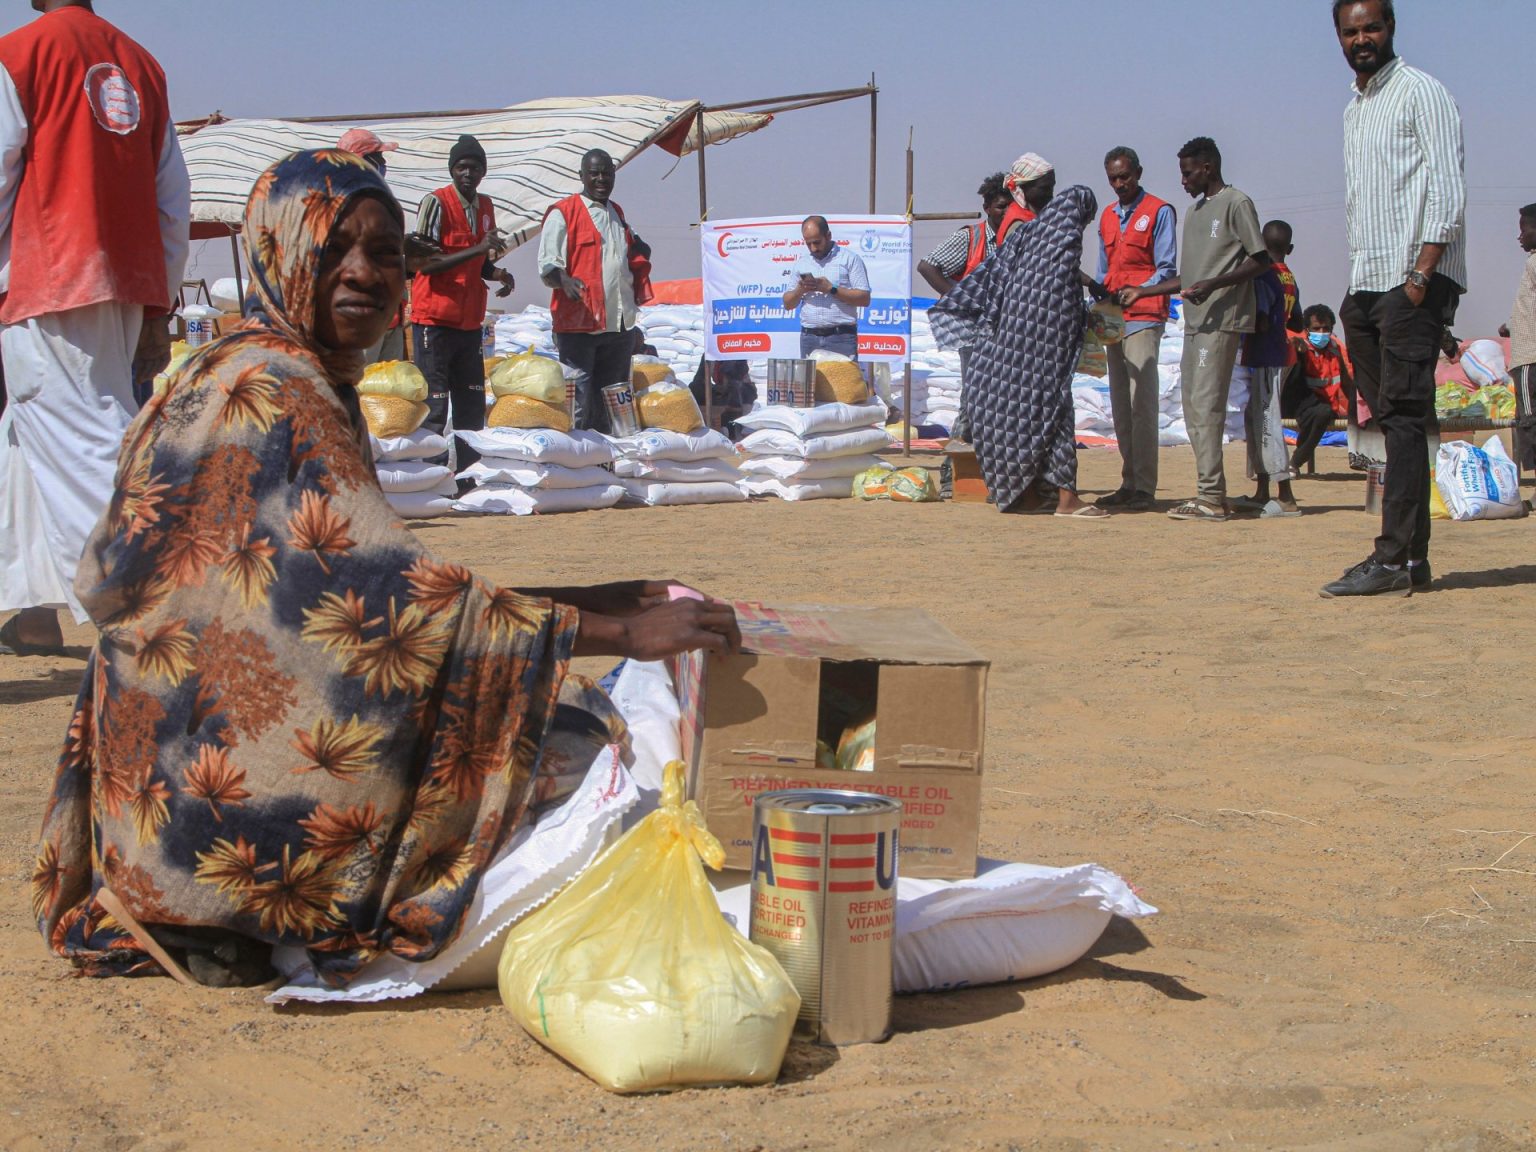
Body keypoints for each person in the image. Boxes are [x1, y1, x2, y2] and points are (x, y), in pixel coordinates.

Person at [31, 150, 742, 987]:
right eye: (334, 249)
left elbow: (357, 580)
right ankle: (240, 910)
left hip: (161, 790)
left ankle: (218, 909)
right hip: (210, 814)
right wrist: (617, 633)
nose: (364, 273)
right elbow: (379, 605)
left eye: (384, 253)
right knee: (569, 745)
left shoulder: (243, 368)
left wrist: (594, 598)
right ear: (280, 251)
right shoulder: (276, 394)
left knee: (536, 714)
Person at [0, 0, 189, 658]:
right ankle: (32, 612)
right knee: (27, 438)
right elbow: (172, 198)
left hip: (47, 278)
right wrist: (159, 300)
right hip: (121, 280)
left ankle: (154, 617)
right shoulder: (142, 65)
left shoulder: (19, 54)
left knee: (84, 439)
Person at [1321, 0, 1466, 597]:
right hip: (1368, 283)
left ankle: (1391, 557)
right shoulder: (1355, 109)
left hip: (1412, 281)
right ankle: (1413, 558)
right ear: (1339, 37)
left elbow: (1448, 191)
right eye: (1350, 31)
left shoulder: (1421, 92)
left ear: (1391, 29)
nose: (1362, 39)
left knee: (1404, 418)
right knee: (1392, 422)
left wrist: (1422, 275)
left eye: (1372, 28)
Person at [929, 184, 1109, 519]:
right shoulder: (1062, 248)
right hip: (1043, 358)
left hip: (1005, 354)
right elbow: (1059, 306)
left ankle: (1024, 496)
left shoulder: (1025, 239)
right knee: (1057, 419)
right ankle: (1067, 500)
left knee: (1019, 423)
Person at [1120, 137, 1268, 522]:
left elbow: (1260, 260)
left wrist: (1215, 285)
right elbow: (1190, 277)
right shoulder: (1195, 212)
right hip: (1196, 321)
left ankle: (1211, 497)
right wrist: (1144, 291)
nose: (1183, 181)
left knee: (1206, 405)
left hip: (1222, 320)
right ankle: (1210, 493)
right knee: (1192, 406)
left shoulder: (1236, 203)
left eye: (1187, 173)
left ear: (1208, 168)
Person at [410, 134, 513, 467]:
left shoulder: (485, 207)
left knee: (471, 406)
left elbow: (478, 263)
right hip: (435, 321)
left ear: (483, 172)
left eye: (475, 168)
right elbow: (424, 263)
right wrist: (478, 249)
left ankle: (469, 477)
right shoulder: (436, 204)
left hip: (468, 323)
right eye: (462, 167)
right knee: (435, 406)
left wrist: (498, 274)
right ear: (452, 170)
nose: (468, 174)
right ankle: (434, 476)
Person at [540, 148, 653, 434]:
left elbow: (631, 252)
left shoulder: (617, 213)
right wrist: (564, 280)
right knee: (579, 402)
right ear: (582, 176)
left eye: (607, 173)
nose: (601, 179)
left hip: (618, 325)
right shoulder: (563, 213)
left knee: (614, 403)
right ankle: (578, 455)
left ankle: (608, 455)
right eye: (594, 174)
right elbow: (548, 267)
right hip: (580, 326)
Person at [1091, 146, 1178, 512]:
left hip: (1144, 314)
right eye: (1113, 178)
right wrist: (1097, 302)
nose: (1119, 184)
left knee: (1142, 402)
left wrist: (1139, 290)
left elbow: (1167, 268)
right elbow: (1103, 269)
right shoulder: (1108, 216)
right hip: (1112, 317)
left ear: (1138, 173)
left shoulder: (1159, 211)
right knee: (1120, 405)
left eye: (1124, 176)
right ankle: (1128, 482)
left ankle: (1144, 486)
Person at [917, 172, 1010, 442]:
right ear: (987, 208)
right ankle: (954, 462)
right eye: (1001, 207)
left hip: (1006, 328)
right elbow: (927, 266)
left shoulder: (1015, 238)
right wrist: (961, 299)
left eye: (1011, 207)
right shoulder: (971, 238)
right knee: (973, 398)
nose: (1006, 212)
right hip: (974, 329)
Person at [1235, 266, 1301, 516]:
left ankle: (1286, 496)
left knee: (1266, 423)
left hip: (1266, 355)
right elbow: (1297, 320)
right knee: (1255, 420)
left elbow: (1260, 321)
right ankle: (1262, 491)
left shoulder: (1262, 276)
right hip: (1273, 353)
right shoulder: (1287, 276)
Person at [781, 215, 870, 360]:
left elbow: (864, 298)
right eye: (808, 244)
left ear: (828, 236)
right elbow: (787, 303)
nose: (813, 248)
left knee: (842, 376)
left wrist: (831, 289)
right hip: (809, 338)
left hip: (841, 337)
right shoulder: (801, 264)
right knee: (811, 376)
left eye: (817, 242)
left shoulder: (849, 259)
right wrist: (799, 290)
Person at [1285, 304, 1353, 475]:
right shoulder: (1299, 347)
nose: (1321, 332)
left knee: (1325, 412)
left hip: (1325, 405)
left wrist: (1358, 407)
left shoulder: (1335, 349)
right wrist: (1296, 352)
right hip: (1299, 403)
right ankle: (1295, 462)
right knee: (1322, 413)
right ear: (1306, 329)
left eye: (1326, 328)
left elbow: (1346, 382)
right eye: (1316, 328)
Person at [1504, 204, 1536, 482]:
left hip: (1530, 357)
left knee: (1530, 418)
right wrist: (1511, 325)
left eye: (1524, 229)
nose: (1520, 237)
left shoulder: (1534, 264)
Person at [996, 153, 1054, 244]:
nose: (1050, 193)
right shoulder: (1018, 225)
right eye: (1044, 188)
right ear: (1023, 187)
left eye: (1051, 187)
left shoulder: (1035, 217)